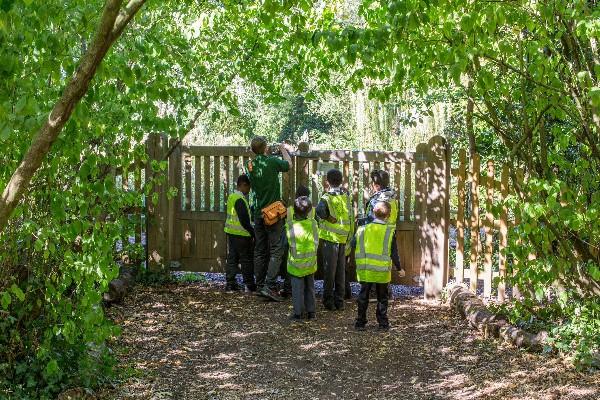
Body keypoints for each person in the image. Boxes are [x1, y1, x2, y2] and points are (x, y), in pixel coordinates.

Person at [246, 136, 292, 301]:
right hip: (272, 214)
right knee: (277, 249)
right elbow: (289, 165)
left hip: (258, 212)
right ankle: (270, 286)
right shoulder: (272, 162)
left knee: (259, 249)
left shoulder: (250, 165)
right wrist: (283, 150)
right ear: (265, 148)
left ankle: (259, 285)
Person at [352, 201, 398, 331]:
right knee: (382, 297)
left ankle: (360, 322)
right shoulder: (389, 231)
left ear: (373, 213)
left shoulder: (362, 229)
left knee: (363, 296)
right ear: (388, 215)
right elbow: (394, 252)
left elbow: (353, 244)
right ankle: (383, 323)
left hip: (365, 269)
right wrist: (399, 268)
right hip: (382, 271)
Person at [315, 168, 353, 310]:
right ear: (341, 181)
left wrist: (328, 218)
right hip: (343, 239)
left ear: (327, 182)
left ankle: (328, 302)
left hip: (330, 239)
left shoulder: (326, 197)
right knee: (340, 272)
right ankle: (340, 301)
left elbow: (319, 211)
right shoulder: (346, 196)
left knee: (329, 272)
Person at [358, 169, 402, 276]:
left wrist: (359, 222)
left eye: (373, 183)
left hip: (376, 236)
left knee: (373, 265)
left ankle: (372, 290)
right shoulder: (393, 198)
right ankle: (385, 290)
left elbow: (370, 219)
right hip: (389, 234)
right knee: (385, 263)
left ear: (376, 185)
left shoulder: (375, 201)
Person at [286, 196, 318, 321]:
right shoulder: (313, 224)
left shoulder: (290, 226)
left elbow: (285, 244)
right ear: (309, 211)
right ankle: (311, 313)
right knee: (310, 288)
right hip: (310, 263)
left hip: (296, 265)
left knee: (297, 290)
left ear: (294, 211)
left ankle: (298, 313)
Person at [223, 174, 256, 292]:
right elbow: (244, 221)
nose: (249, 191)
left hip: (231, 233)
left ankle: (230, 283)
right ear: (243, 185)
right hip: (242, 235)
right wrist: (253, 233)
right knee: (246, 259)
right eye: (248, 188)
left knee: (232, 258)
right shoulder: (240, 199)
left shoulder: (232, 197)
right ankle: (249, 284)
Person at [279, 185, 313, 298]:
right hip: (307, 242)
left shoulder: (289, 210)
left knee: (291, 265)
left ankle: (288, 288)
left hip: (291, 241)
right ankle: (304, 290)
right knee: (307, 267)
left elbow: (283, 225)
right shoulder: (311, 210)